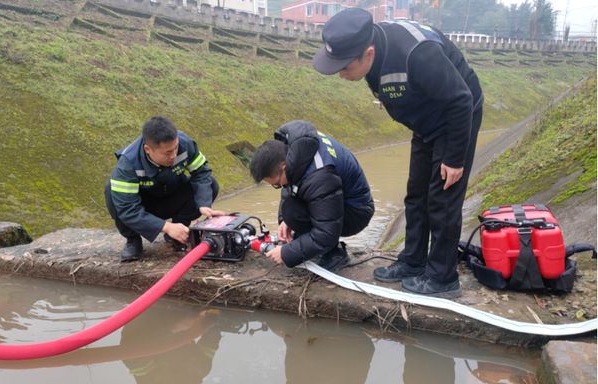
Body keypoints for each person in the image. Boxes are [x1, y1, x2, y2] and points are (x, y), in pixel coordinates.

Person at [312, 8, 483, 298]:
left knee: (442, 198)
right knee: (416, 194)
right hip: (426, 121)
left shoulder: (417, 53)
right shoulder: (372, 51)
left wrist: (455, 158)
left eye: (344, 68)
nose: (340, 75)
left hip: (456, 118)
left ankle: (443, 278)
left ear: (367, 54)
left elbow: (460, 100)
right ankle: (413, 262)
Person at [249, 120, 374, 271]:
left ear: (284, 167)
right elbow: (291, 185)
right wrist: (285, 221)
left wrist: (287, 253)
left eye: (277, 184)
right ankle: (311, 244)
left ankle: (335, 254)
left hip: (357, 212)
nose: (280, 187)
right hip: (337, 200)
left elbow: (326, 233)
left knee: (297, 214)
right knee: (290, 212)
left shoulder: (320, 175)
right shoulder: (295, 148)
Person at [105, 116, 224, 262]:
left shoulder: (186, 144)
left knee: (211, 184)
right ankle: (133, 240)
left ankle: (178, 231)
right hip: (144, 207)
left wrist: (203, 204)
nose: (173, 155)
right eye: (167, 153)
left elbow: (202, 173)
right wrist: (165, 226)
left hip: (171, 196)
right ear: (148, 149)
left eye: (175, 148)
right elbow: (128, 209)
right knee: (112, 192)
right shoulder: (128, 164)